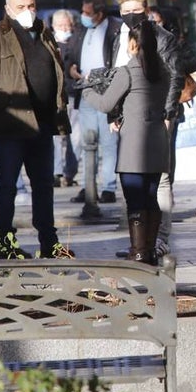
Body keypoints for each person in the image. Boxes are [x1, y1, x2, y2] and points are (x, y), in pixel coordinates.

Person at [0, 0, 74, 259]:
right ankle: (5, 243)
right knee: (7, 184)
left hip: (43, 124)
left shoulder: (44, 33)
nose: (28, 11)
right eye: (21, 7)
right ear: (8, 9)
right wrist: (6, 101)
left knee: (44, 186)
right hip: (11, 126)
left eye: (31, 5)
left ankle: (49, 243)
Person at [81, 24, 170, 263]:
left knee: (135, 200)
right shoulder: (164, 71)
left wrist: (87, 89)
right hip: (158, 141)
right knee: (151, 197)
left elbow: (105, 104)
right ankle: (149, 251)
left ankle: (138, 251)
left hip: (134, 145)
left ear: (133, 44)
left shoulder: (128, 72)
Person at [112, 0, 187, 261]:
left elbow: (175, 76)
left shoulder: (162, 37)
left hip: (157, 116)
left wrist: (167, 113)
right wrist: (114, 114)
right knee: (132, 182)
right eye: (126, 11)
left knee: (160, 180)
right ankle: (139, 243)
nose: (131, 15)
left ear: (146, 9)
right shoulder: (119, 36)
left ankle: (159, 240)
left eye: (136, 10)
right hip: (128, 118)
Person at [66, 0, 122, 200]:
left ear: (99, 13)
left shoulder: (115, 29)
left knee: (108, 143)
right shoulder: (81, 30)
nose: (84, 16)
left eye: (88, 13)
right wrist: (71, 69)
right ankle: (88, 186)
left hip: (107, 92)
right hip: (85, 92)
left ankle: (108, 187)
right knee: (87, 143)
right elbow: (70, 56)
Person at [49, 9, 79, 188]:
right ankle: (56, 172)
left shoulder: (77, 42)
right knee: (57, 137)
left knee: (75, 138)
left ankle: (69, 173)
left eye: (67, 25)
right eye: (60, 25)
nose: (64, 28)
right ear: (54, 26)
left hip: (74, 94)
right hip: (56, 96)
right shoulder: (48, 43)